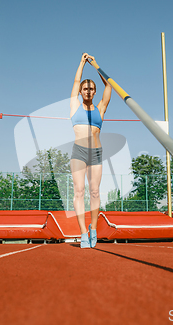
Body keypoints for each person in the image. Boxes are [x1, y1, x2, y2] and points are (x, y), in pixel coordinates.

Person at [70, 53, 112, 248]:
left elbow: (109, 86)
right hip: (79, 152)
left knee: (94, 192)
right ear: (80, 91)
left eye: (91, 89)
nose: (88, 91)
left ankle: (93, 228)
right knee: (79, 192)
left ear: (95, 92)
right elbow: (77, 79)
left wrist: (95, 65)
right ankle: (83, 233)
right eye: (85, 89)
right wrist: (81, 63)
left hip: (95, 153)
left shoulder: (100, 109)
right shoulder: (74, 105)